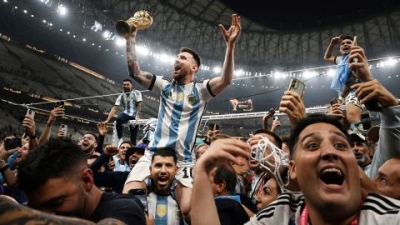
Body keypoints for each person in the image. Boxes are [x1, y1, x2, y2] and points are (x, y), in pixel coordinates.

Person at [122, 13, 242, 219]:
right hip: (153, 155)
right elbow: (135, 72)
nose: (176, 60)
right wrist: (130, 39)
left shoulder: (201, 91)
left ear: (194, 68)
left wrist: (230, 46)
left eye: (183, 58)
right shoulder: (165, 85)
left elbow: (226, 79)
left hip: (183, 162)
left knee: (188, 209)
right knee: (130, 198)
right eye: (176, 58)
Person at [191, 115, 400, 225]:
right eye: (312, 146)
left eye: (340, 145)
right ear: (293, 169)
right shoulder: (282, 214)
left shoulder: (390, 218)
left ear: (355, 168)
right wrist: (202, 170)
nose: (329, 152)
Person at [17, 139, 146, 224]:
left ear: (86, 180)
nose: (44, 216)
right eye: (35, 209)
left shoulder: (126, 209)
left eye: (56, 203)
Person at [324, 35, 364, 128]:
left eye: (348, 43)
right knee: (342, 121)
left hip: (355, 92)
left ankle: (359, 140)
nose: (345, 44)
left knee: (352, 118)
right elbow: (327, 57)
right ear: (340, 49)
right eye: (342, 44)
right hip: (343, 94)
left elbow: (353, 80)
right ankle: (350, 140)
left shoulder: (355, 57)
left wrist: (340, 98)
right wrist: (332, 44)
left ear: (354, 45)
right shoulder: (339, 60)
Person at [104, 78, 142, 147]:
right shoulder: (121, 96)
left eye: (128, 84)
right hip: (126, 114)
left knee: (133, 135)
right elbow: (115, 108)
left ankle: (133, 147)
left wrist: (138, 116)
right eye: (124, 85)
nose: (126, 86)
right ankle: (120, 138)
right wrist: (107, 120)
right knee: (118, 119)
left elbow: (139, 104)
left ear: (131, 85)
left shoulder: (137, 93)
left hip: (134, 116)